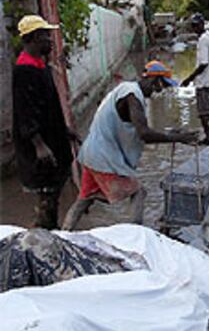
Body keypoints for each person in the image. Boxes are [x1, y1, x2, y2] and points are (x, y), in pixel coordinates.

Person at [62, 60, 197, 230]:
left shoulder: (126, 89)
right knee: (139, 192)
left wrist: (170, 134)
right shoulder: (133, 96)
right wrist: (176, 138)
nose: (157, 92)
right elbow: (144, 133)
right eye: (159, 87)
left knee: (84, 200)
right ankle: (137, 234)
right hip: (103, 159)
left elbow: (139, 129)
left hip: (91, 154)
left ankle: (64, 232)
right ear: (154, 80)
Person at [12, 15, 77, 230]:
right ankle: (44, 235)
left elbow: (49, 108)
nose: (50, 40)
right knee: (46, 197)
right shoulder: (24, 70)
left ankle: (51, 231)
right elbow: (25, 111)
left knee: (54, 194)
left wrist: (65, 131)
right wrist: (39, 145)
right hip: (42, 148)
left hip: (53, 141)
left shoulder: (41, 67)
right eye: (45, 36)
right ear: (32, 38)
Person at [182, 13, 209, 145]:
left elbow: (204, 63)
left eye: (196, 25)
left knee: (203, 111)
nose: (194, 28)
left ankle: (208, 137)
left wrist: (189, 78)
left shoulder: (203, 40)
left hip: (205, 81)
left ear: (201, 24)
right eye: (193, 26)